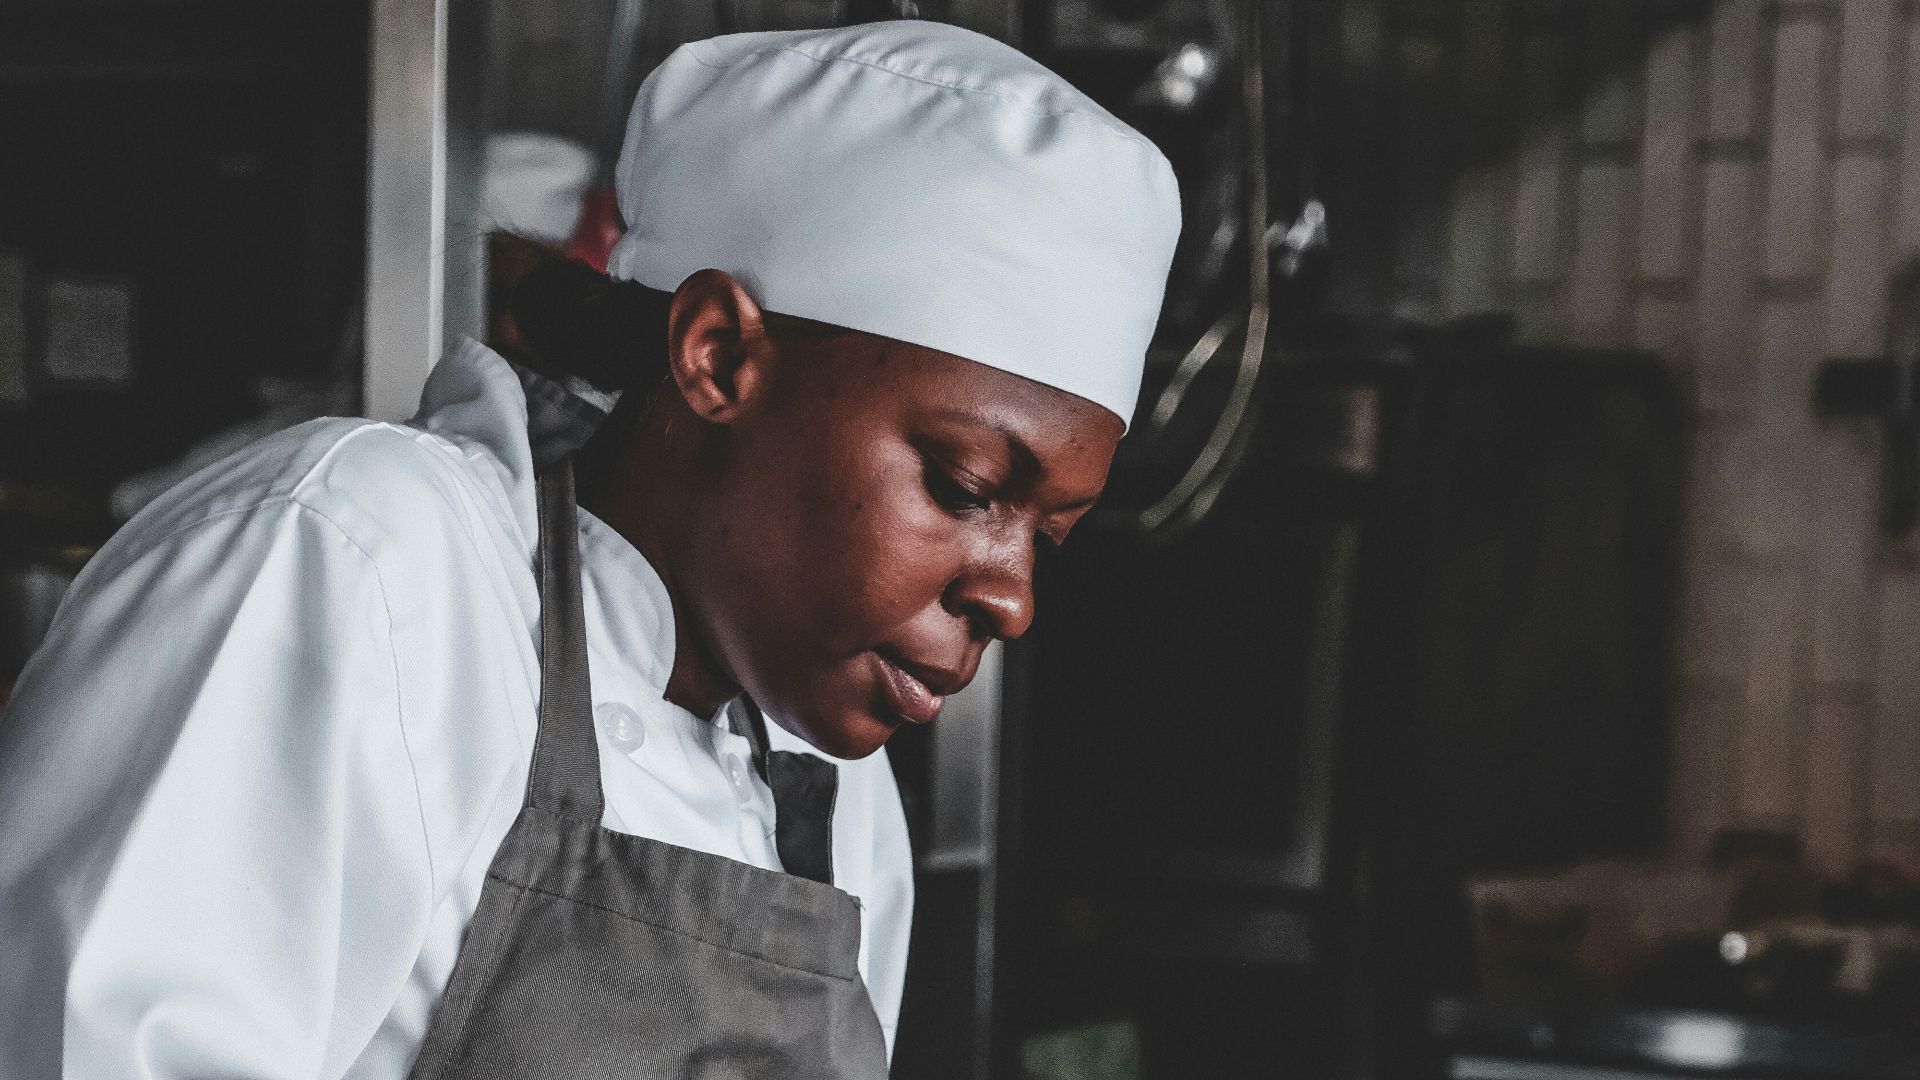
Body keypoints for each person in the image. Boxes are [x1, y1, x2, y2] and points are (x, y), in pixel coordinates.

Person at [0, 20, 1179, 1078]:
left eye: (1051, 538)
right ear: (718, 357)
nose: (1013, 597)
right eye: (967, 484)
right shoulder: (369, 570)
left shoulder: (842, 804)